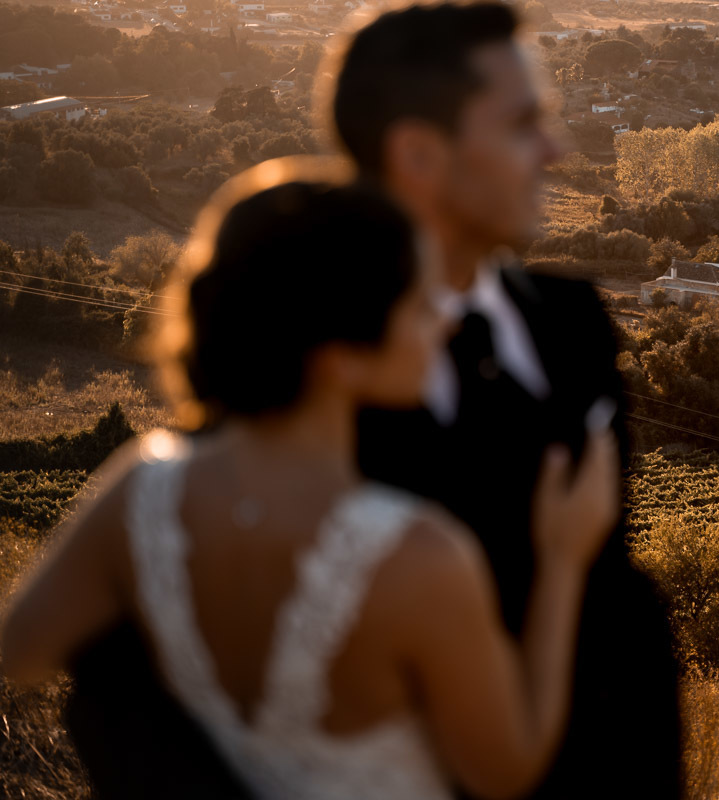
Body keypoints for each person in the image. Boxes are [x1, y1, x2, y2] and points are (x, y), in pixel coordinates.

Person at [0, 163, 621, 800]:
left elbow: (23, 651)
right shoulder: (416, 558)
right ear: (339, 357)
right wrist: (563, 561)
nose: (443, 318)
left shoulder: (143, 490)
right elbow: (505, 772)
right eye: (416, 302)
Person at [327, 4, 682, 798]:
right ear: (419, 154)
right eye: (524, 124)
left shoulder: (574, 319)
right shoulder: (314, 369)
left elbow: (613, 584)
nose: (554, 151)